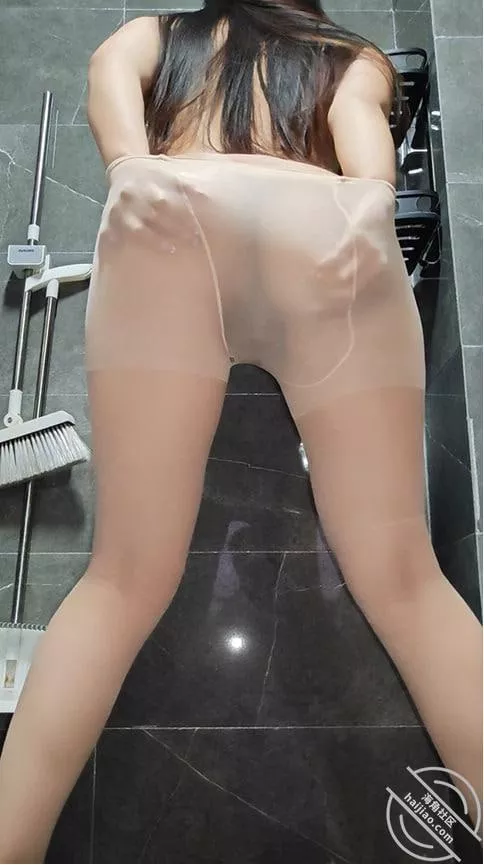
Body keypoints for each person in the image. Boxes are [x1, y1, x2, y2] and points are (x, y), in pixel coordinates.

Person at [0, 1, 481, 860]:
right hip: (329, 225)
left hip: (174, 212)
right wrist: (373, 196)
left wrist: (129, 164)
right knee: (407, 584)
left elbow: (109, 68)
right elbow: (360, 130)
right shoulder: (345, 54)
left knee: (121, 582)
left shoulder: (167, 32)